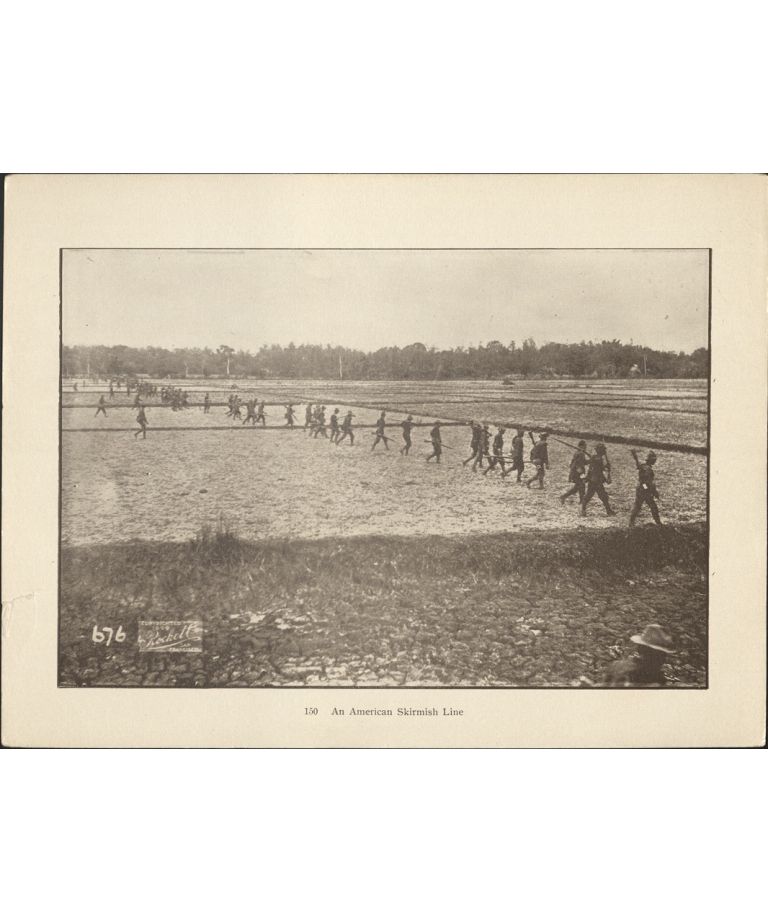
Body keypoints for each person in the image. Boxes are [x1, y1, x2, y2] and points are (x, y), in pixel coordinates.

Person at [603, 624, 674, 686]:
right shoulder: (656, 680)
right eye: (660, 654)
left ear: (639, 648)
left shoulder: (616, 666)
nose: (663, 659)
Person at [629, 450, 662, 526]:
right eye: (654, 460)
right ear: (651, 460)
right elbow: (644, 482)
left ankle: (631, 522)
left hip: (642, 489)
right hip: (644, 490)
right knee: (652, 506)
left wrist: (635, 457)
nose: (655, 461)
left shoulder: (644, 466)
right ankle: (658, 523)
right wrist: (649, 491)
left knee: (638, 506)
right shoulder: (647, 469)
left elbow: (638, 465)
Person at [581, 443, 616, 516]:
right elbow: (599, 467)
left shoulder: (596, 457)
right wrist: (606, 467)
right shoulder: (598, 458)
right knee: (600, 496)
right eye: (603, 450)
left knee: (597, 496)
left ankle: (608, 510)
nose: (605, 451)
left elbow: (596, 467)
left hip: (594, 480)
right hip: (596, 481)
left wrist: (606, 467)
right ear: (600, 450)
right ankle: (608, 511)